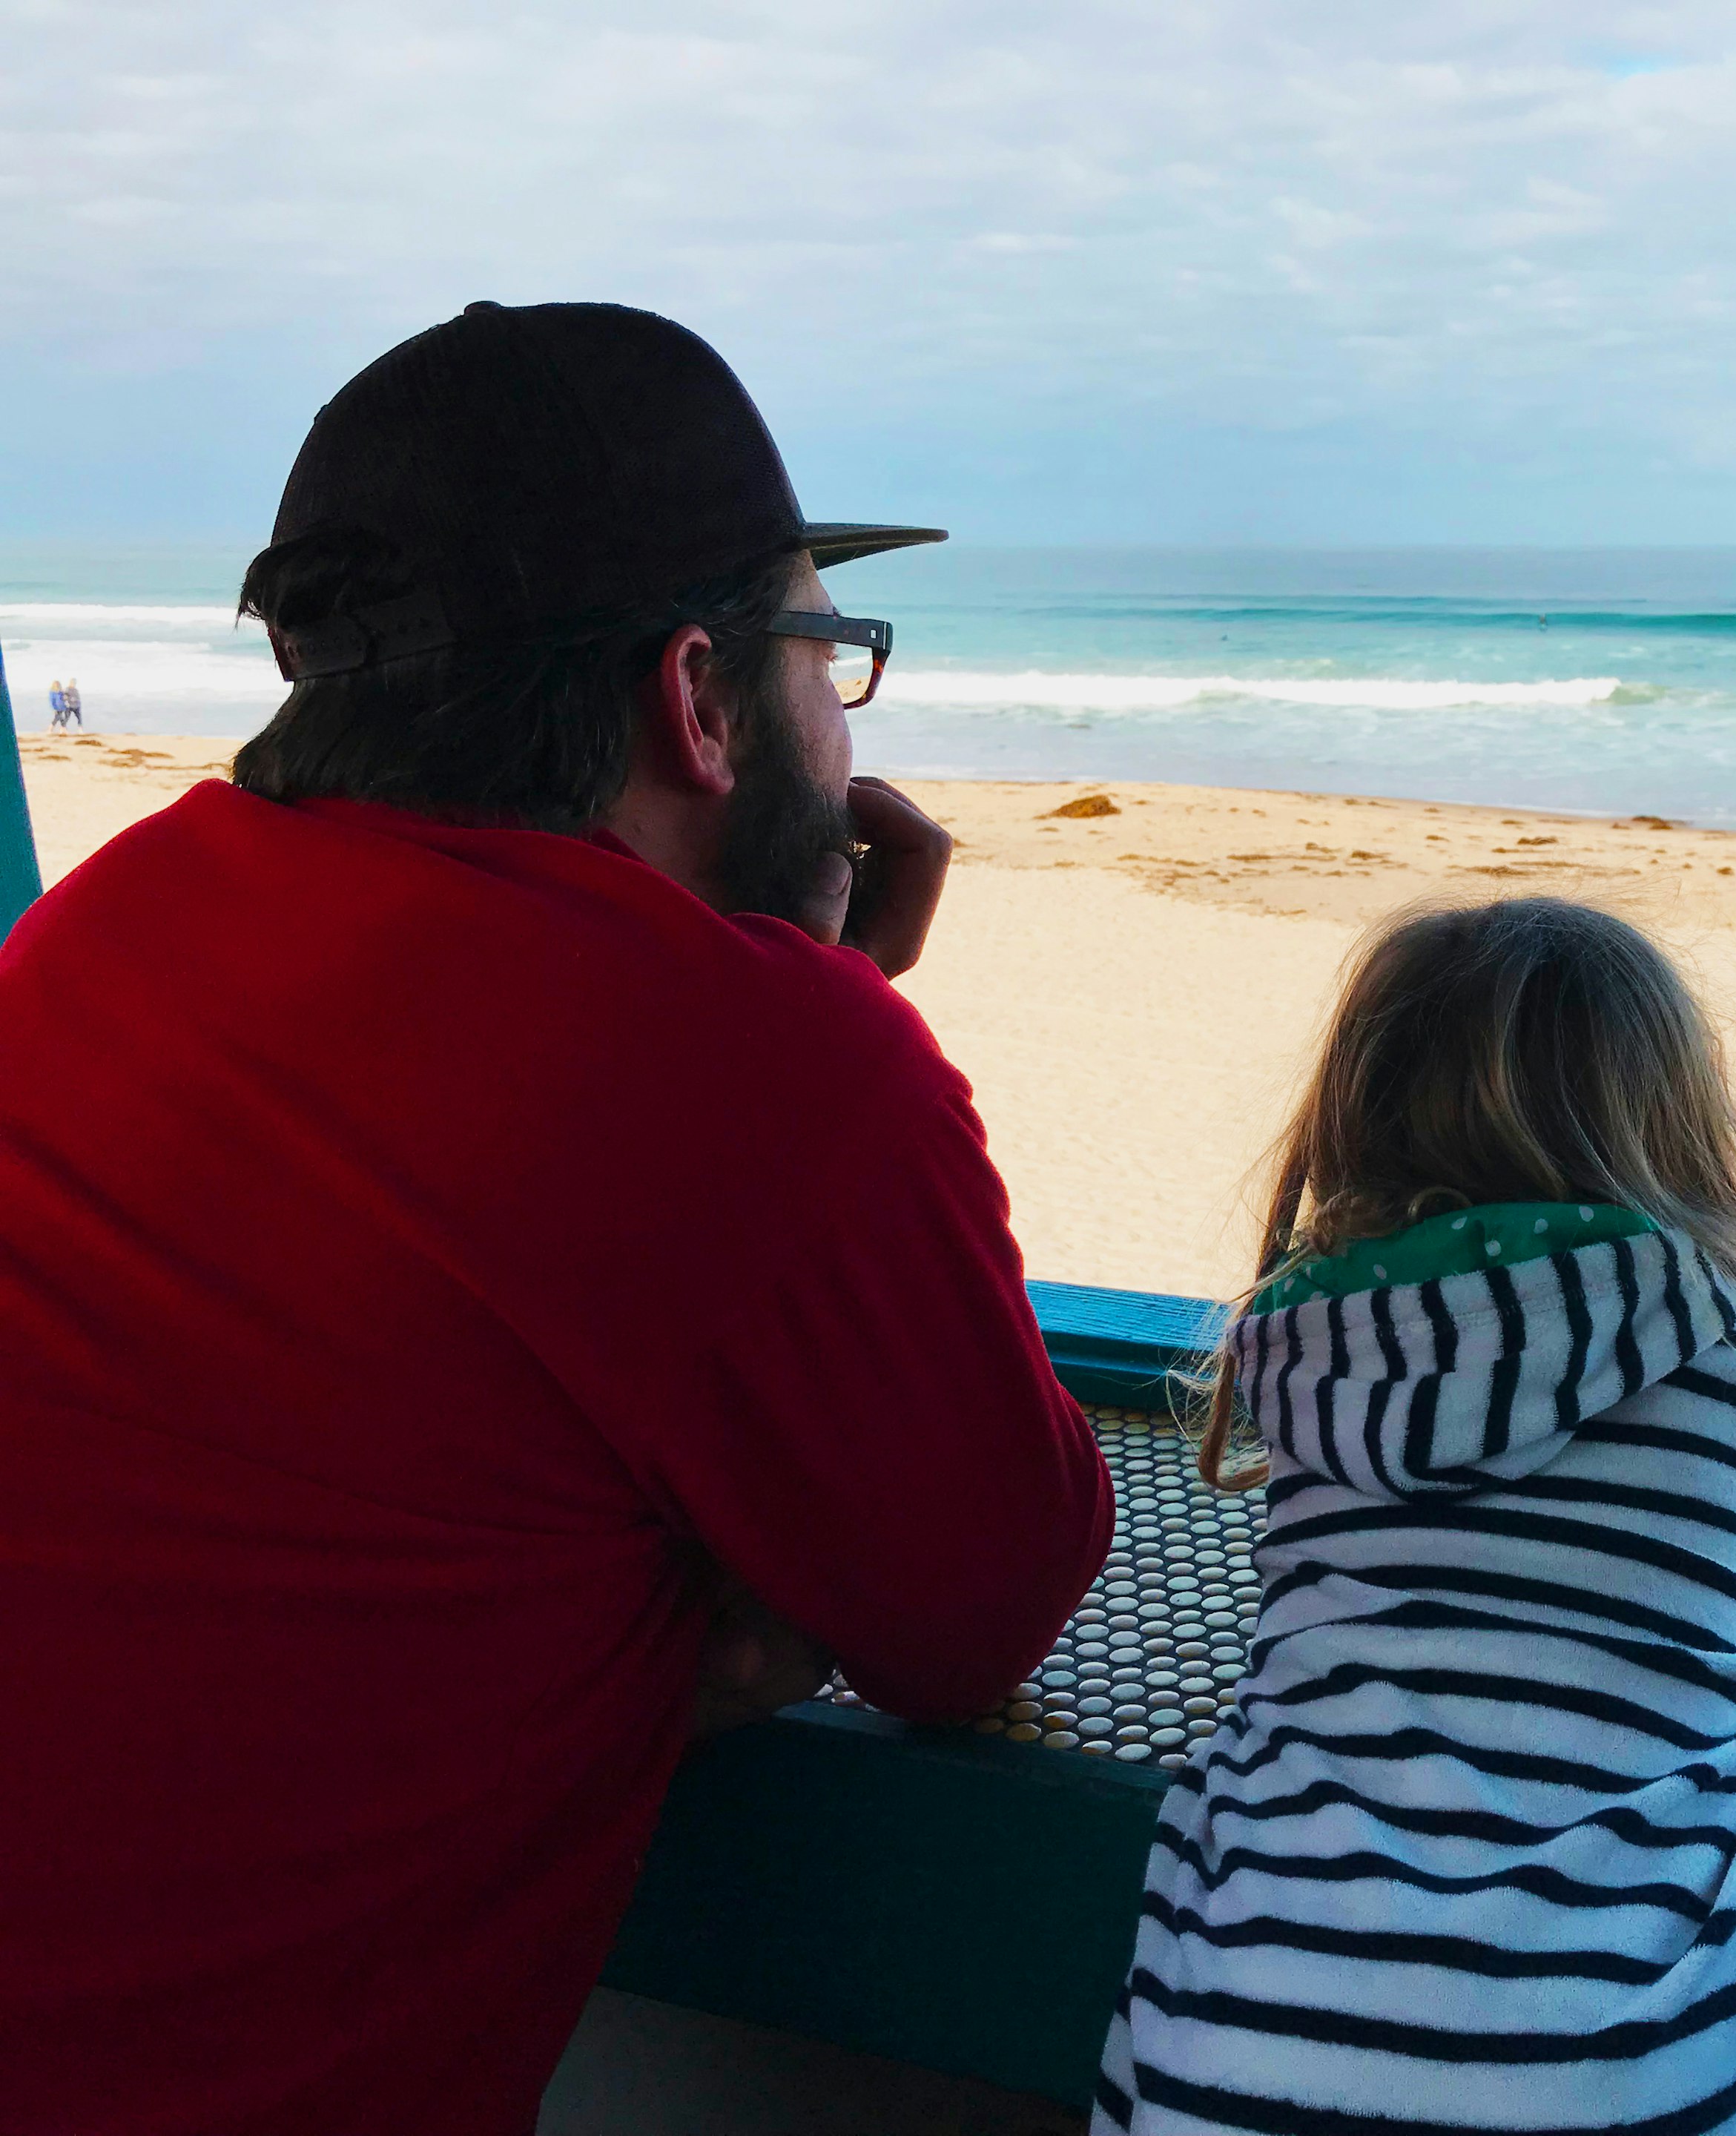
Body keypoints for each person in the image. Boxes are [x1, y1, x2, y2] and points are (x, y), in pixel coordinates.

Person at [0, 303, 1113, 2135]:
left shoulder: (108, 924)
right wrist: (821, 1009)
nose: (839, 731)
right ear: (698, 695)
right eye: (821, 656)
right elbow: (981, 1604)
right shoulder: (751, 1072)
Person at [1098, 897, 1736, 2136]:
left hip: (1243, 2043)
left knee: (1217, 1823)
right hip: (1619, 2069)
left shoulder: (1313, 1361)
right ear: (1678, 1131)